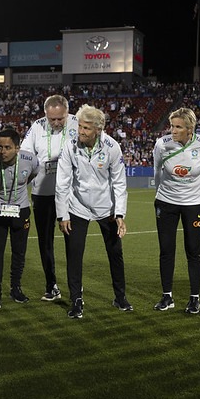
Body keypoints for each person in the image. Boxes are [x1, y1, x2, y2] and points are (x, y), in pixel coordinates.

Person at [55, 104, 131, 319]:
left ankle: (120, 297)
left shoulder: (112, 147)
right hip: (77, 207)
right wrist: (63, 214)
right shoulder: (70, 146)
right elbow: (62, 183)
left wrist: (120, 214)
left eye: (86, 128)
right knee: (74, 255)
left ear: (98, 129)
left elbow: (119, 183)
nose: (81, 132)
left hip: (106, 209)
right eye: (79, 126)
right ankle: (76, 300)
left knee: (115, 254)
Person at [151, 107, 200, 314]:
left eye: (178, 127)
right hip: (166, 202)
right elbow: (157, 170)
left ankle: (194, 298)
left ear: (190, 128)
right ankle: (166, 296)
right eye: (172, 126)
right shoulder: (162, 144)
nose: (173, 130)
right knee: (166, 250)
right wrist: (160, 196)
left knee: (194, 251)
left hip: (194, 203)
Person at [20, 95, 78, 302]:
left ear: (67, 113)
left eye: (60, 119)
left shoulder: (78, 123)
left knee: (73, 241)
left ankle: (75, 289)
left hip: (70, 194)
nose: (56, 123)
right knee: (45, 242)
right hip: (42, 193)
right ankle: (51, 285)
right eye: (52, 119)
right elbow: (25, 154)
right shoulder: (37, 126)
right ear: (45, 114)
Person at [0, 127, 38, 308]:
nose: (2, 152)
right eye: (0, 147)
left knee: (19, 252)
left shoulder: (30, 160)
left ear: (17, 148)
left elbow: (34, 173)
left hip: (21, 210)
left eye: (7, 147)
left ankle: (16, 288)